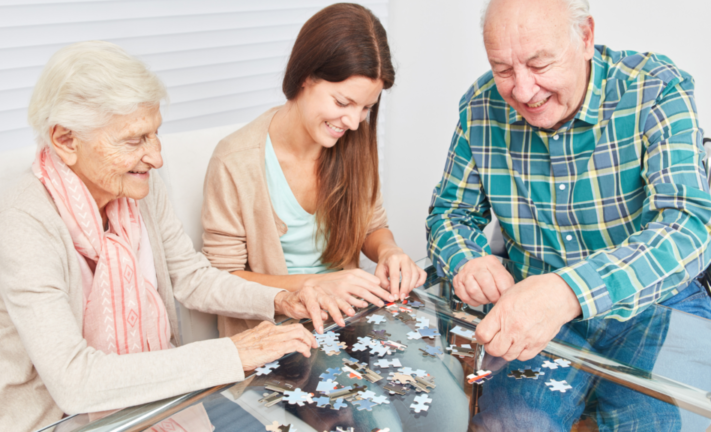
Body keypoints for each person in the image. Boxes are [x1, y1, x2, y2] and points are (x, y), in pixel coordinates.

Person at [0, 41, 346, 432]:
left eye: (155, 134)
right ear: (65, 140)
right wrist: (231, 353)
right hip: (50, 421)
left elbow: (191, 277)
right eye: (134, 140)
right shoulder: (22, 222)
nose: (156, 157)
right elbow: (75, 380)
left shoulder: (139, 186)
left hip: (150, 406)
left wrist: (280, 298)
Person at [427, 0, 710, 429]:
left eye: (539, 63)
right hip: (530, 311)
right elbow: (449, 213)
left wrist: (567, 292)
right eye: (503, 69)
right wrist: (468, 260)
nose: (522, 90)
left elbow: (691, 225)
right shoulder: (480, 107)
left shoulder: (655, 90)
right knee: (512, 423)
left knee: (659, 422)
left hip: (652, 305)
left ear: (585, 37)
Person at [201, 3, 427, 337]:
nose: (352, 122)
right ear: (306, 76)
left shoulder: (354, 140)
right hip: (271, 338)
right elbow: (222, 279)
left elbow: (371, 226)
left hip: (346, 329)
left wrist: (389, 250)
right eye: (342, 102)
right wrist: (318, 283)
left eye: (366, 107)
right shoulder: (235, 160)